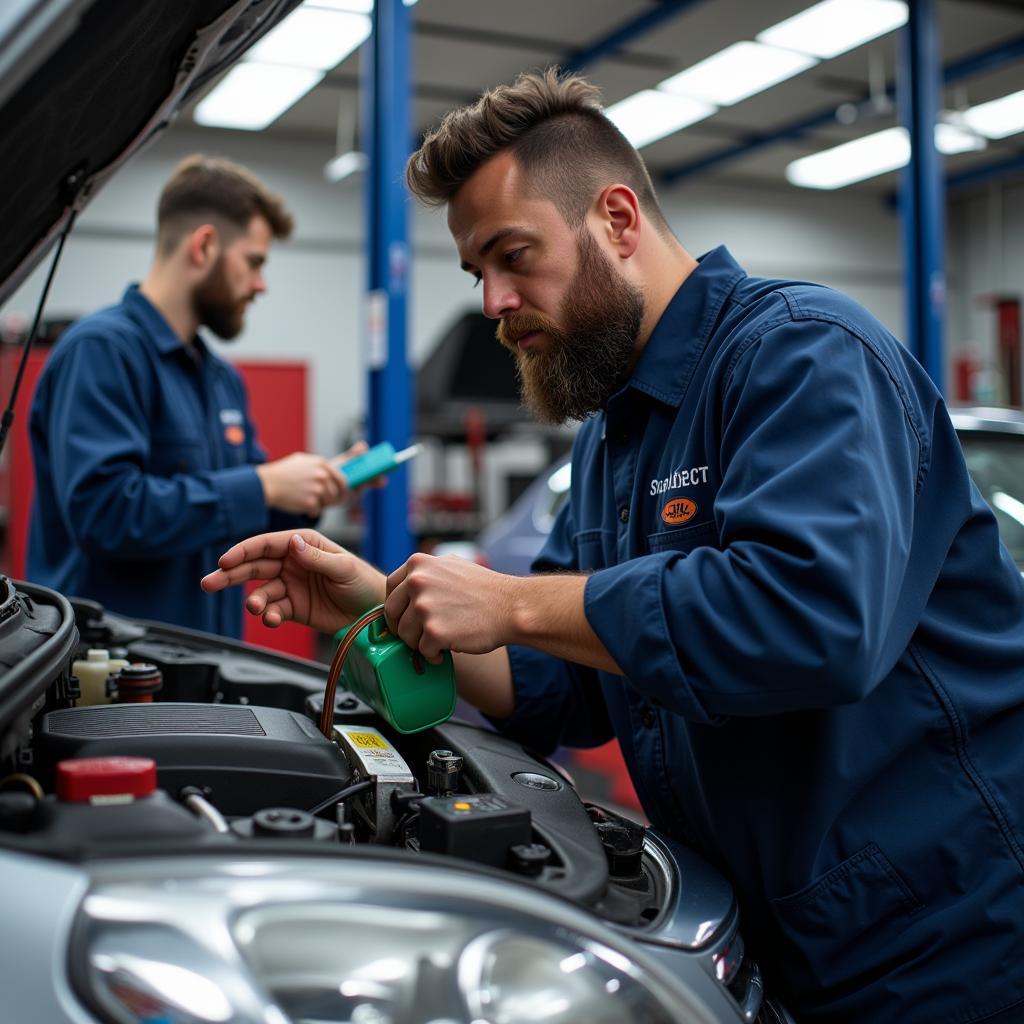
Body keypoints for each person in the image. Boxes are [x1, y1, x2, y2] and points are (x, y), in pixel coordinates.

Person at [201, 71, 1024, 1022]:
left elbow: (812, 619)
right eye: (478, 273)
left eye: (514, 256)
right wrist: (382, 601)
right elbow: (567, 683)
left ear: (618, 218)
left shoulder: (804, 355)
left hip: (943, 937)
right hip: (779, 937)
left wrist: (509, 600)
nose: (495, 302)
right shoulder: (613, 435)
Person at [29, 154, 362, 637]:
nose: (261, 285)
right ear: (204, 246)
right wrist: (264, 483)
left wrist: (315, 486)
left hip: (204, 660)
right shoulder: (101, 352)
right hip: (111, 672)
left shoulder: (221, 378)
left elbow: (240, 512)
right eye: (254, 262)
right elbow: (105, 513)